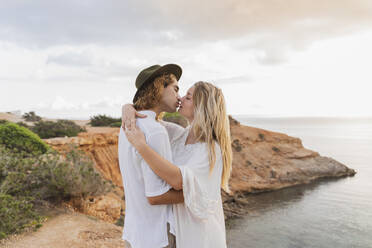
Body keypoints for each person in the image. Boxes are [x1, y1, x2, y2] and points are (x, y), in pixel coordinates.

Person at [122, 81, 232, 248]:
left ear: (201, 106)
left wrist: (141, 146)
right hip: (179, 230)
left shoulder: (211, 150)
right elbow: (148, 118)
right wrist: (127, 107)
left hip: (200, 235)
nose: (180, 98)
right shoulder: (180, 135)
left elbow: (177, 180)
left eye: (188, 97)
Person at [118, 64, 185, 248]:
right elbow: (156, 196)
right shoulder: (155, 132)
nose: (179, 96)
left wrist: (128, 106)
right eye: (176, 88)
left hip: (135, 232)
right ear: (159, 87)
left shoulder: (127, 126)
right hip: (157, 237)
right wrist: (198, 193)